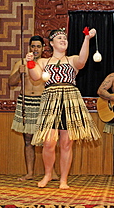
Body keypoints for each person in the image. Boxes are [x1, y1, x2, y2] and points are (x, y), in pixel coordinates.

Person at [25, 28, 101, 189]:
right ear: (51, 43)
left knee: (66, 143)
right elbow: (36, 76)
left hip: (69, 100)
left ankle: (64, 180)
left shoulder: (72, 60)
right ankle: (47, 174)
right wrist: (30, 62)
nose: (63, 40)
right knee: (48, 142)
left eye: (64, 38)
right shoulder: (44, 62)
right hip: (51, 101)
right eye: (59, 38)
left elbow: (82, 60)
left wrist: (87, 39)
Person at [9, 35, 58, 181]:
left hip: (42, 101)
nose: (35, 49)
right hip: (25, 101)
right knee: (28, 139)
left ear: (43, 48)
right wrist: (19, 72)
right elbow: (11, 82)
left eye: (38, 46)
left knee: (47, 140)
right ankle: (30, 173)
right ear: (29, 47)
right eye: (33, 46)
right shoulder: (21, 63)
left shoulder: (47, 63)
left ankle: (51, 172)